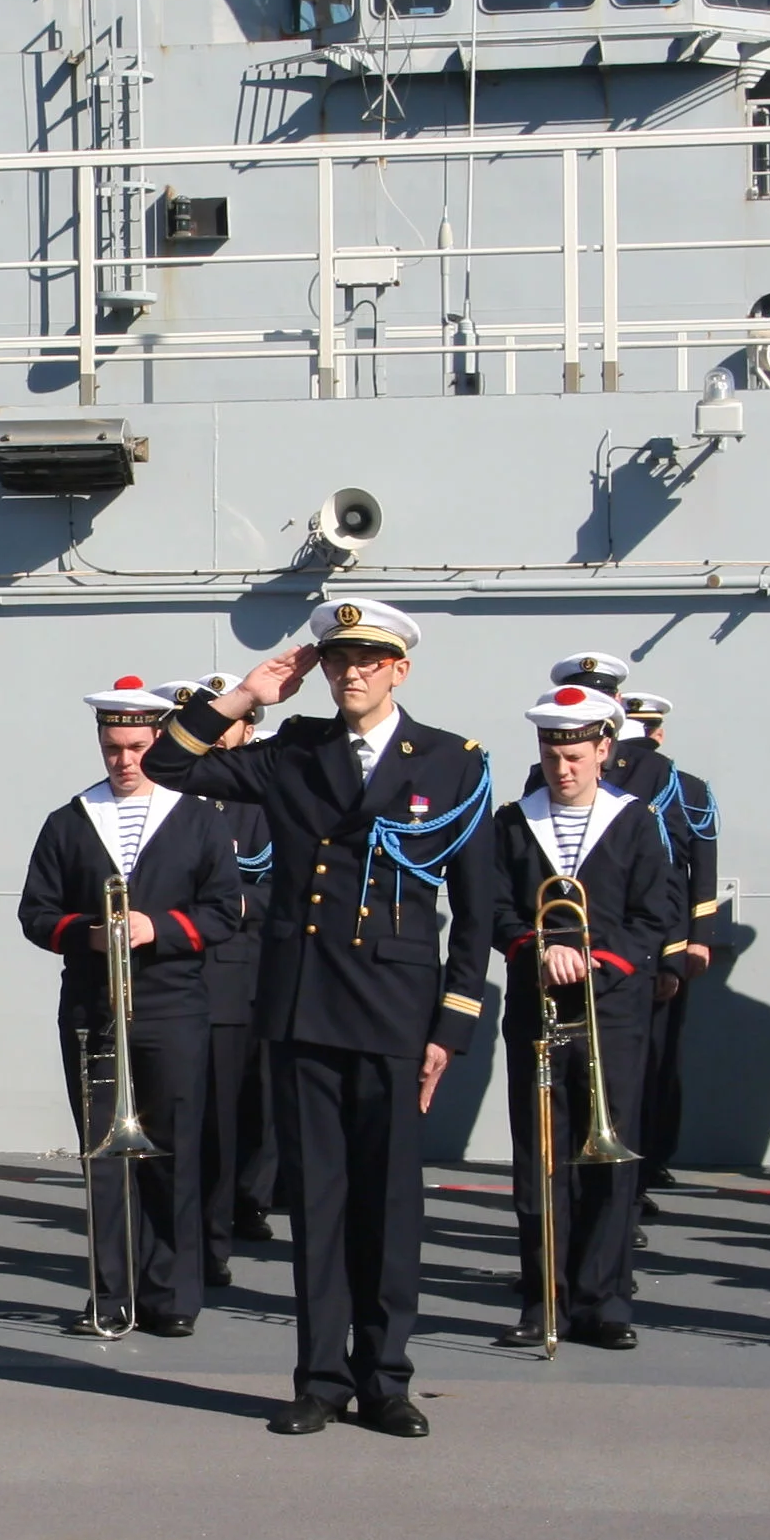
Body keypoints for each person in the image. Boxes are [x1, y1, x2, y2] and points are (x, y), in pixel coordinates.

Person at [144, 601, 497, 1439]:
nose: (352, 673)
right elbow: (168, 764)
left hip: (397, 1012)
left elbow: (478, 915)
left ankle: (386, 1378)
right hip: (304, 1005)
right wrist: (243, 697)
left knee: (389, 1206)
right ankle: (319, 1379)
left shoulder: (451, 763)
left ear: (400, 670)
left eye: (370, 660)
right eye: (339, 660)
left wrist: (451, 1029)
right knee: (323, 1205)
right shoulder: (293, 751)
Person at [16, 679, 245, 1339]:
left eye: (138, 747)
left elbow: (225, 911)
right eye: (114, 747)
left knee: (173, 1150)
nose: (125, 761)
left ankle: (172, 1290)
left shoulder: (198, 817)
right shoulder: (69, 820)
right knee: (104, 1156)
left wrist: (160, 928)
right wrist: (86, 931)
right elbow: (36, 913)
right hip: (93, 1004)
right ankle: (110, 1292)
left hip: (173, 1004)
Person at [483, 684, 684, 1351]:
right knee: (540, 1160)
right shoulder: (514, 822)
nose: (561, 767)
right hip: (538, 1010)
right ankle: (547, 1299)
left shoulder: (635, 820)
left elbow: (656, 917)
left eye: (574, 754)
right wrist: (538, 948)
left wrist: (597, 959)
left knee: (609, 1157)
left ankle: (605, 1299)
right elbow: (498, 908)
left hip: (612, 1012)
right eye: (550, 752)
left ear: (604, 749)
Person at [614, 691, 721, 1205]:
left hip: (665, 942)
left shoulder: (688, 788)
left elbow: (701, 869)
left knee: (658, 1062)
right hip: (611, 938)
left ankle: (649, 1159)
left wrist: (695, 943)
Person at [190, 674, 279, 1257]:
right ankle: (207, 1214)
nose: (222, 735)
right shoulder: (179, 796)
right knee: (202, 1103)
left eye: (232, 724)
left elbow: (283, 882)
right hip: (187, 964)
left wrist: (234, 905)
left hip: (248, 964)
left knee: (253, 1095)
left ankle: (249, 1198)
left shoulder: (264, 798)